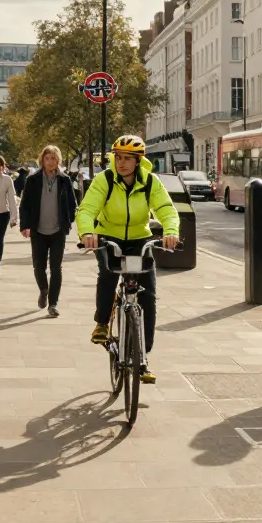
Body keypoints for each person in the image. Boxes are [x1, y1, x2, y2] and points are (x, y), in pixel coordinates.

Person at [77, 135, 180, 383]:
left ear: (138, 161)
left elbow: (166, 209)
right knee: (108, 274)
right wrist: (88, 232)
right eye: (118, 158)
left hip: (140, 239)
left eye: (127, 159)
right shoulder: (105, 180)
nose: (121, 163)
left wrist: (171, 232)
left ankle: (142, 357)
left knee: (148, 294)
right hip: (108, 237)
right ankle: (102, 323)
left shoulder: (150, 182)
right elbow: (87, 209)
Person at [19, 144, 78, 318]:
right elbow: (25, 204)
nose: (50, 161)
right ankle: (44, 290)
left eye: (53, 158)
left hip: (58, 231)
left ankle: (53, 304)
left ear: (58, 160)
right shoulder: (33, 179)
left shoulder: (65, 180)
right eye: (47, 158)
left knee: (56, 268)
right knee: (39, 266)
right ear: (42, 160)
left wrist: (68, 221)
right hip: (38, 230)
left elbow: (72, 204)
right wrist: (24, 225)